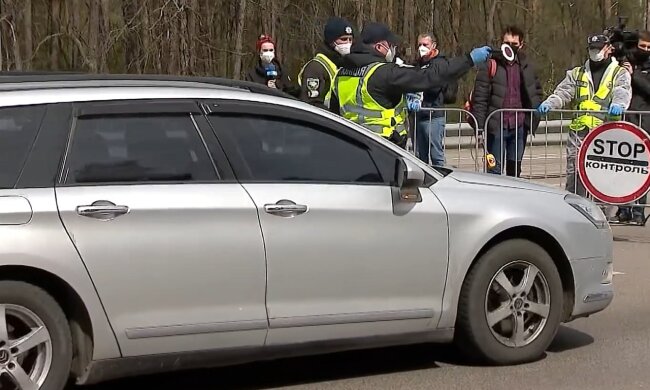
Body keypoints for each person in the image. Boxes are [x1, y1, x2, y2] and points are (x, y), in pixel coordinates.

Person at [330, 22, 491, 148]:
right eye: (391, 45)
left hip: (352, 146)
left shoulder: (341, 73)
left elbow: (336, 113)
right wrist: (468, 60)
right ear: (379, 47)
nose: (394, 49)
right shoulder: (384, 73)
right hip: (383, 149)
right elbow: (429, 77)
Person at [537, 33, 632, 197]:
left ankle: (603, 214)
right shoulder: (578, 73)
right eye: (592, 49)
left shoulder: (618, 73)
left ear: (608, 48)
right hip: (579, 132)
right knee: (575, 173)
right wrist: (550, 103)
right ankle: (576, 210)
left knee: (604, 175)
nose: (595, 52)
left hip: (605, 132)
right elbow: (563, 92)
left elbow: (622, 90)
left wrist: (619, 104)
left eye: (599, 48)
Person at [470, 25, 543, 177]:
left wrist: (533, 116)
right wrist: (480, 126)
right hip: (496, 125)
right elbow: (480, 97)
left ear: (521, 45)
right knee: (494, 171)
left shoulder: (527, 66)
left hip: (519, 126)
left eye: (514, 44)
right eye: (506, 43)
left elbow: (536, 91)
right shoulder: (491, 64)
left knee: (515, 171)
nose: (509, 47)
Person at [406, 33, 459, 166]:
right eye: (419, 45)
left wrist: (419, 83)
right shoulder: (416, 64)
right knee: (419, 156)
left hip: (433, 115)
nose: (421, 48)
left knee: (436, 155)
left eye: (425, 45)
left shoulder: (440, 63)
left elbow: (435, 86)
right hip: (417, 115)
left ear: (433, 46)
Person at [614, 31, 650, 224]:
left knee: (640, 170)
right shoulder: (625, 62)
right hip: (626, 120)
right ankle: (623, 210)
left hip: (645, 124)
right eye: (642, 46)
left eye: (648, 47)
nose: (644, 50)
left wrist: (633, 74)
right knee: (622, 168)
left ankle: (638, 212)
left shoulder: (642, 68)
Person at [298, 17, 354, 109]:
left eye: (350, 39)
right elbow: (311, 104)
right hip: (325, 120)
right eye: (343, 39)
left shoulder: (344, 63)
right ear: (331, 42)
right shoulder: (316, 67)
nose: (348, 43)